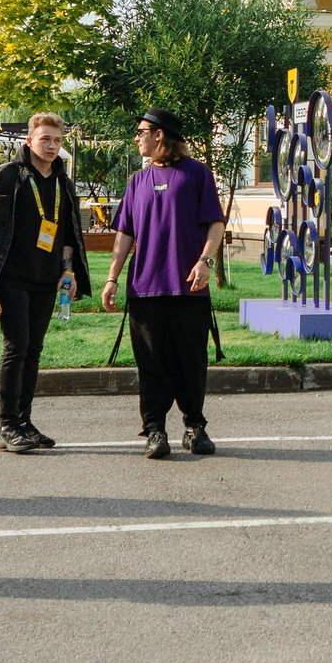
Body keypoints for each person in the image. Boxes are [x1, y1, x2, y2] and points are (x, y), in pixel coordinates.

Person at [0, 112, 94, 455]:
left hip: (47, 278)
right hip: (11, 277)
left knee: (33, 351)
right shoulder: (6, 177)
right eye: (45, 139)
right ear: (28, 141)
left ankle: (24, 422)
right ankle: (8, 425)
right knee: (17, 346)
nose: (52, 146)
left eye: (57, 141)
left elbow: (69, 234)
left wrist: (68, 271)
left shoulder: (63, 183)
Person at [100, 108, 226, 460]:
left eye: (141, 131)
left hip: (189, 288)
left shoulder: (196, 174)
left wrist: (206, 261)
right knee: (150, 363)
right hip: (145, 288)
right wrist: (112, 278)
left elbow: (215, 223)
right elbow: (124, 234)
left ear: (160, 135)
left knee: (191, 360)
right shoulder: (137, 182)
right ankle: (155, 430)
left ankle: (195, 427)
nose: (137, 137)